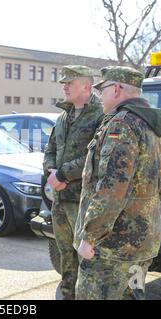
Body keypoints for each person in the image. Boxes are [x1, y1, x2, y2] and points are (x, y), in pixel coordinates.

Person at [74, 66, 161, 300]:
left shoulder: (122, 124)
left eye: (102, 90)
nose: (100, 96)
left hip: (112, 247)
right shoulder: (153, 125)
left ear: (116, 89)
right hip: (142, 241)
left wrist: (91, 236)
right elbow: (159, 185)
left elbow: (111, 189)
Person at [43, 65, 104, 300]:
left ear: (86, 87)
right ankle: (67, 293)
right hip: (60, 200)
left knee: (87, 258)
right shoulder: (63, 117)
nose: (65, 87)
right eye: (64, 83)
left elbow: (96, 155)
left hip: (83, 202)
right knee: (65, 254)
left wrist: (62, 175)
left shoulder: (101, 115)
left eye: (70, 83)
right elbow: (50, 149)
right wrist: (50, 171)